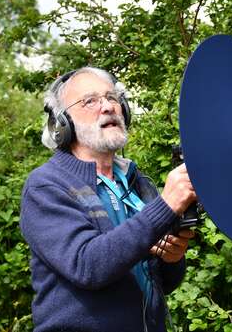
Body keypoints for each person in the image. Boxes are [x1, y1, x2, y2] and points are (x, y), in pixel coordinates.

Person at [20, 66, 197, 332]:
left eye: (112, 98)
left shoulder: (138, 182)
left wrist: (171, 259)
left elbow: (162, 282)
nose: (107, 107)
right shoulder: (46, 186)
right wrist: (165, 206)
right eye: (90, 100)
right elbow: (87, 265)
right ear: (62, 123)